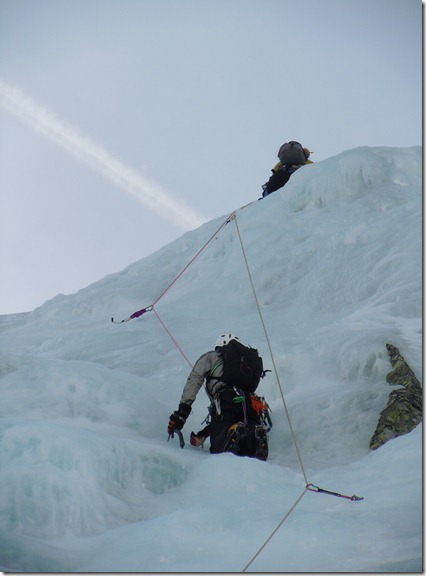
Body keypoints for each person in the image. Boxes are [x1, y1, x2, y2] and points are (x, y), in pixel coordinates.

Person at [167, 333, 270, 461]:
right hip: (251, 404)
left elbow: (195, 380)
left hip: (226, 401)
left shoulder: (213, 356)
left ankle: (236, 431)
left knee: (219, 445)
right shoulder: (246, 362)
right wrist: (204, 434)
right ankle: (255, 435)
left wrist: (182, 413)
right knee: (246, 430)